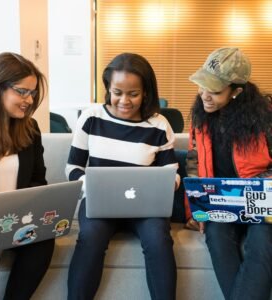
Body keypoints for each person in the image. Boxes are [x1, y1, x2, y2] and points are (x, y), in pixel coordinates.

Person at [65, 52, 180, 300]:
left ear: (146, 92)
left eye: (133, 94)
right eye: (117, 92)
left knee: (159, 240)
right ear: (108, 88)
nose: (124, 101)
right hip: (99, 203)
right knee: (90, 238)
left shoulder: (159, 125)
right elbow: (73, 167)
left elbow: (171, 171)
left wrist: (169, 182)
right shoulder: (91, 117)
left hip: (145, 207)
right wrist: (90, 186)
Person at [185, 47, 272, 300]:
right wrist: (195, 209)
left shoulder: (265, 118)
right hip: (220, 202)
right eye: (202, 86)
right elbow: (194, 161)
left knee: (262, 243)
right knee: (216, 236)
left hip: (262, 203)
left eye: (214, 91)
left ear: (236, 92)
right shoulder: (201, 116)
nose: (204, 95)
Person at [0, 52, 55, 299]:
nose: (29, 100)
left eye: (32, 93)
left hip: (16, 219)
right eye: (22, 91)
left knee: (42, 243)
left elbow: (38, 180)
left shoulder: (29, 130)